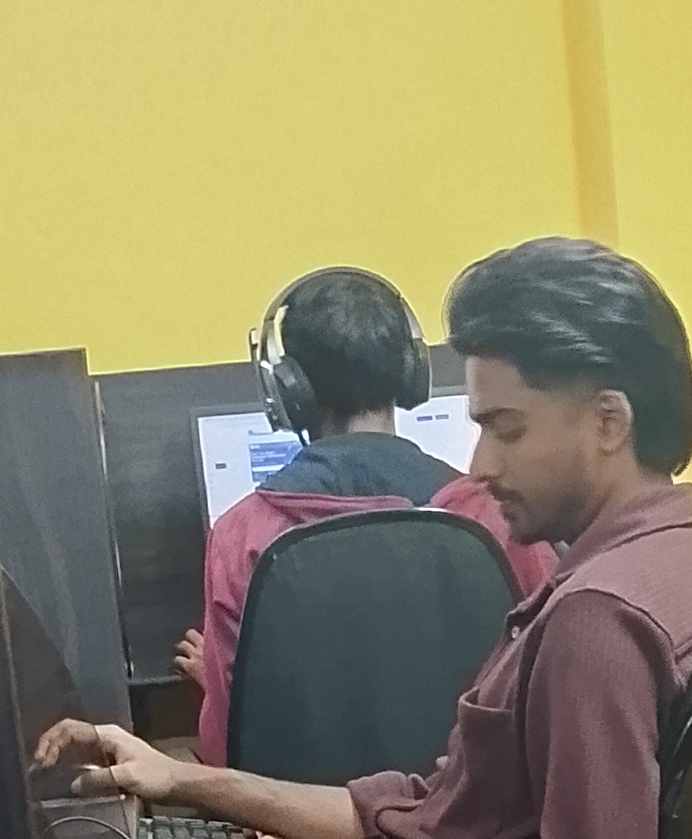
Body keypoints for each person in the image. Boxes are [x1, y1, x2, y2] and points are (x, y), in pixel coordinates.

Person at [33, 236, 692, 839]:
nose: (480, 466)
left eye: (507, 429)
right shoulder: (669, 560)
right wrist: (181, 779)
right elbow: (414, 813)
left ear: (609, 422)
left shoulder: (596, 621)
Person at [178, 264, 551, 765]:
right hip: (476, 802)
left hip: (302, 816)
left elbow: (227, 751)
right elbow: (550, 672)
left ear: (287, 391)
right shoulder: (497, 512)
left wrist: (227, 688)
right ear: (411, 371)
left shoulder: (241, 535)